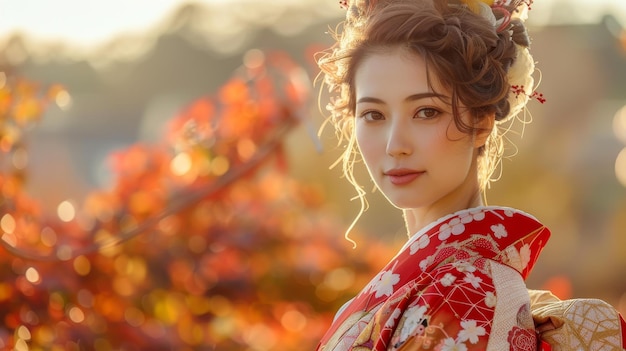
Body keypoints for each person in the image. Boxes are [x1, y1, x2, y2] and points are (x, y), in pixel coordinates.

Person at [315, 0, 626, 350]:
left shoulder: (465, 294)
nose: (394, 145)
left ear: (481, 122)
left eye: (426, 111)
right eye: (373, 114)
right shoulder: (446, 285)